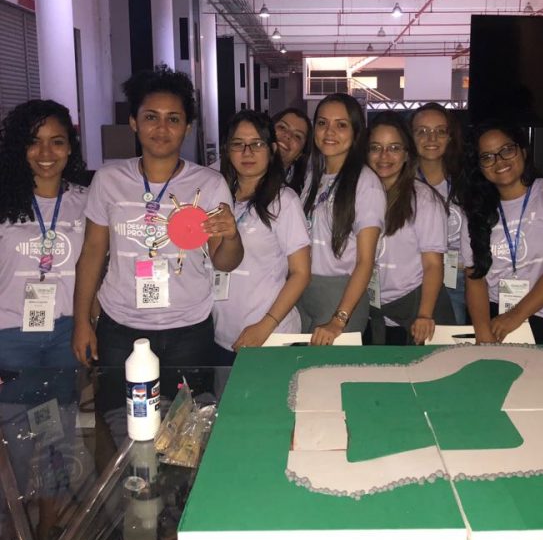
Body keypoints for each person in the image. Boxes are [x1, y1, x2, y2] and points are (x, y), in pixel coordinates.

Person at [72, 65, 243, 368]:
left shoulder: (210, 183)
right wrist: (82, 320)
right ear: (134, 122)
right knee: (118, 401)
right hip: (119, 326)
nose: (162, 129)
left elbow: (225, 262)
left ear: (187, 127)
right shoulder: (108, 179)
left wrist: (231, 237)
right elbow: (92, 252)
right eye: (151, 117)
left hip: (189, 327)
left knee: (188, 402)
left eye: (173, 119)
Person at [461, 124, 543, 350]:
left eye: (507, 150)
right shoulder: (475, 210)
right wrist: (482, 330)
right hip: (491, 315)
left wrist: (515, 316)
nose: (499, 161)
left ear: (523, 152)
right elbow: (474, 276)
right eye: (487, 157)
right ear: (479, 166)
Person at [212, 110, 311, 365]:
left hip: (270, 337)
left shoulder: (284, 201)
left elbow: (301, 273)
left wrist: (265, 326)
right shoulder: (217, 197)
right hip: (221, 333)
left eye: (257, 144)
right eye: (238, 144)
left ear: (272, 150)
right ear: (227, 150)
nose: (247, 152)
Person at [0, 100, 87, 368]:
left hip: (69, 330)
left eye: (57, 142)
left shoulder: (88, 200)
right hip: (9, 331)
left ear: (69, 146)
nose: (46, 152)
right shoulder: (3, 201)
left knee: (66, 397)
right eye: (33, 142)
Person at [298, 93, 385, 344]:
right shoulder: (314, 176)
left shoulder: (366, 184)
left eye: (341, 125)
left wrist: (339, 319)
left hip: (340, 296)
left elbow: (365, 261)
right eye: (322, 123)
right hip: (305, 291)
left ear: (356, 132)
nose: (329, 132)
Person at [365, 111, 447, 345]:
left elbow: (433, 264)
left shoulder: (423, 199)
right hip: (372, 310)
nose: (384, 156)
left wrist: (425, 315)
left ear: (406, 155)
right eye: (376, 148)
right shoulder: (360, 195)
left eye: (394, 148)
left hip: (414, 310)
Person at [410, 102, 466, 324]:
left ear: (450, 137)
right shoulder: (400, 183)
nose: (431, 138)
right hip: (416, 278)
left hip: (461, 277)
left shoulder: (467, 180)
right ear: (410, 137)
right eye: (422, 131)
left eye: (440, 131)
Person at [272, 107, 312, 195]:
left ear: (300, 154)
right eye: (282, 127)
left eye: (297, 136)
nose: (288, 135)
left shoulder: (300, 195)